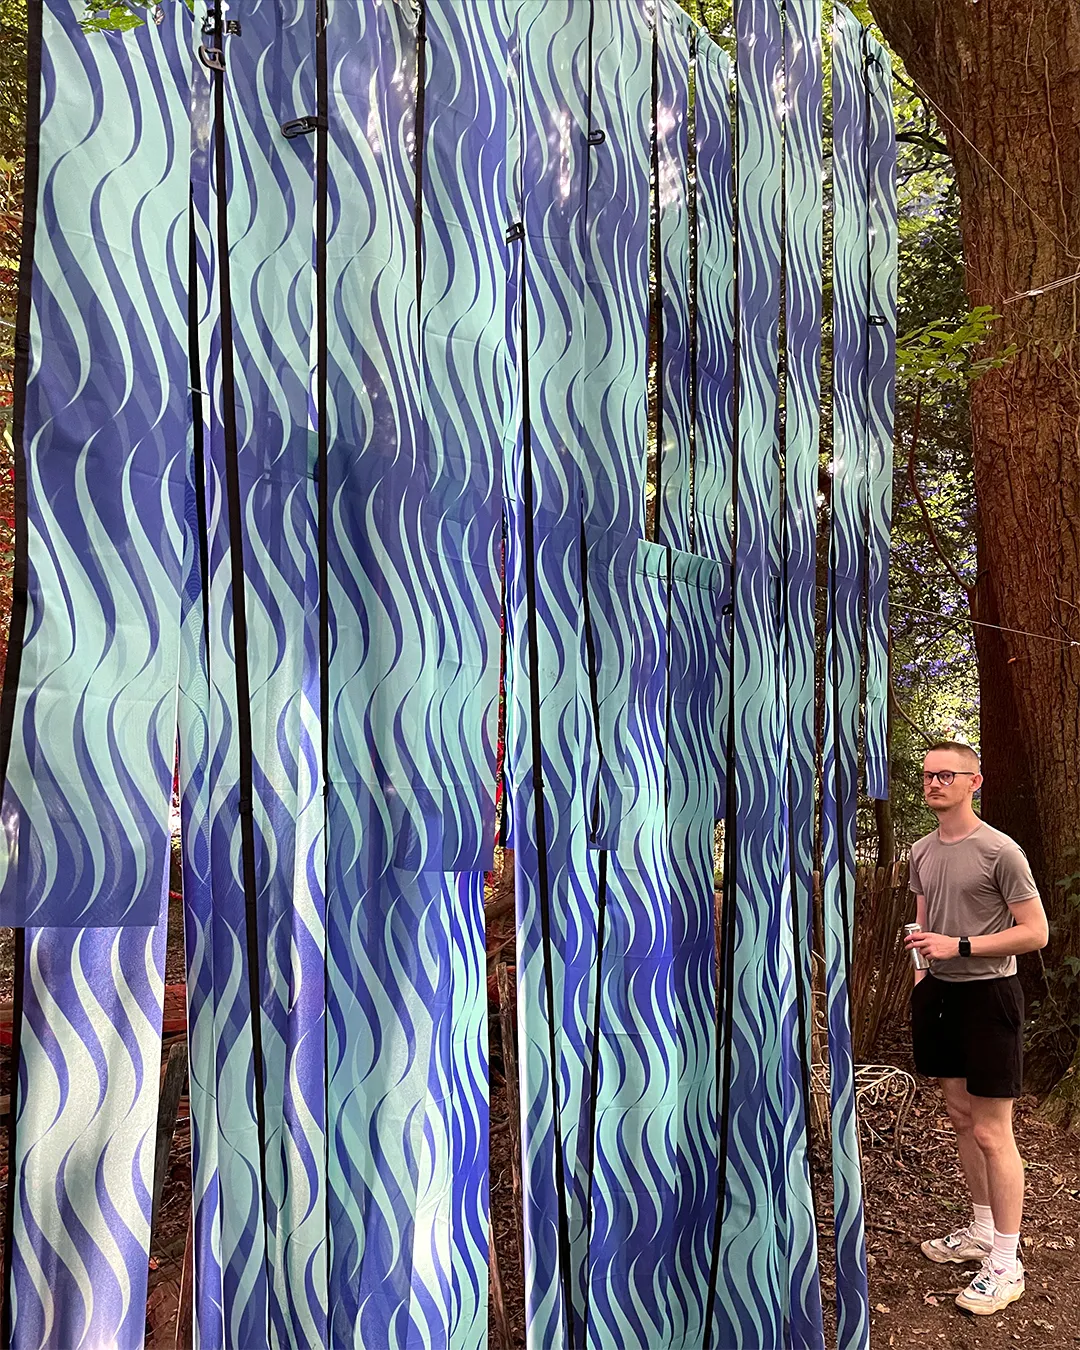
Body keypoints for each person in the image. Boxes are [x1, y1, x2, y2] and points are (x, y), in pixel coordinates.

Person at [904, 740, 1048, 1317]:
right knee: (961, 1119)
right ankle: (983, 1232)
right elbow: (920, 922)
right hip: (940, 997)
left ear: (975, 782)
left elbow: (1035, 932)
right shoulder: (921, 850)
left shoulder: (1000, 851)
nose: (934, 782)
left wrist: (960, 946)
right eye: (927, 775)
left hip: (990, 995)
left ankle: (1008, 1262)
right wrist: (923, 974)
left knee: (992, 1131)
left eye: (947, 774)